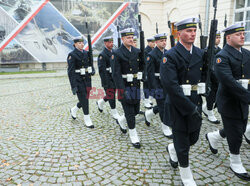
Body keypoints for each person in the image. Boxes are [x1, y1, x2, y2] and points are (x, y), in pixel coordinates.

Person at [160, 17, 204, 185]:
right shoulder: (170, 55)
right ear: (179, 34)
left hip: (196, 101)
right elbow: (170, 85)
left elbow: (206, 76)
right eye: (188, 31)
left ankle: (173, 148)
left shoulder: (200, 53)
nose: (193, 34)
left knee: (193, 138)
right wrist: (189, 108)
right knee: (183, 143)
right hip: (179, 105)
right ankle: (186, 176)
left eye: (194, 31)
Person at [205, 22, 250, 181]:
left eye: (243, 33)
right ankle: (235, 161)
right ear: (228, 37)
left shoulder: (246, 53)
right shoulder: (222, 56)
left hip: (243, 100)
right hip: (229, 101)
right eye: (239, 34)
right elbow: (228, 82)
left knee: (241, 127)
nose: (242, 36)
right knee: (236, 132)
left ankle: (214, 137)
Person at [111, 28, 143, 148]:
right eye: (128, 38)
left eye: (132, 37)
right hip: (124, 86)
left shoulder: (137, 51)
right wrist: (122, 90)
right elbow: (116, 74)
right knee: (130, 113)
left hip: (135, 85)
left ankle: (121, 120)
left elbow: (140, 66)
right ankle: (133, 134)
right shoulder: (117, 53)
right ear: (122, 39)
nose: (131, 39)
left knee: (135, 111)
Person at [144, 33, 172, 138]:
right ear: (156, 42)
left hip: (167, 83)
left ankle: (149, 114)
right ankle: (165, 126)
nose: (164, 42)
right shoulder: (151, 55)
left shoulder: (169, 53)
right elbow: (150, 75)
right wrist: (154, 89)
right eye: (161, 41)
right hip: (158, 84)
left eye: (165, 40)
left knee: (167, 103)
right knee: (163, 105)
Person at [68, 36, 95, 128]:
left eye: (83, 42)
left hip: (87, 79)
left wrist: (93, 70)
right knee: (84, 99)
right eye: (79, 43)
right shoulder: (72, 55)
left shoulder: (86, 53)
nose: (82, 44)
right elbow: (70, 72)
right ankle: (87, 118)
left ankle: (74, 109)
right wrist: (73, 86)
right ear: (75, 44)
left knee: (85, 98)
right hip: (78, 80)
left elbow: (90, 64)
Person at [96, 36, 120, 120]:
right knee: (111, 94)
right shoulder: (102, 55)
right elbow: (102, 71)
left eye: (112, 42)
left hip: (114, 77)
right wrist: (105, 82)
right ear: (105, 43)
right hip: (108, 78)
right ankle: (114, 112)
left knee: (111, 93)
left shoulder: (114, 51)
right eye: (109, 42)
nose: (111, 44)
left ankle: (100, 102)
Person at [202, 31, 221, 124]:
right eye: (216, 37)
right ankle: (209, 112)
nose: (218, 39)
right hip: (210, 77)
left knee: (217, 96)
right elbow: (209, 66)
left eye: (219, 37)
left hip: (218, 77)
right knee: (211, 96)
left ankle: (205, 108)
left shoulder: (220, 49)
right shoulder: (208, 50)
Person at [143, 37, 155, 108]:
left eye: (154, 42)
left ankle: (149, 99)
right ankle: (146, 101)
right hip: (147, 71)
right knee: (146, 87)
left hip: (152, 71)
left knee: (151, 86)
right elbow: (145, 63)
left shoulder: (153, 50)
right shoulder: (146, 51)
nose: (153, 44)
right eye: (152, 42)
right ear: (148, 43)